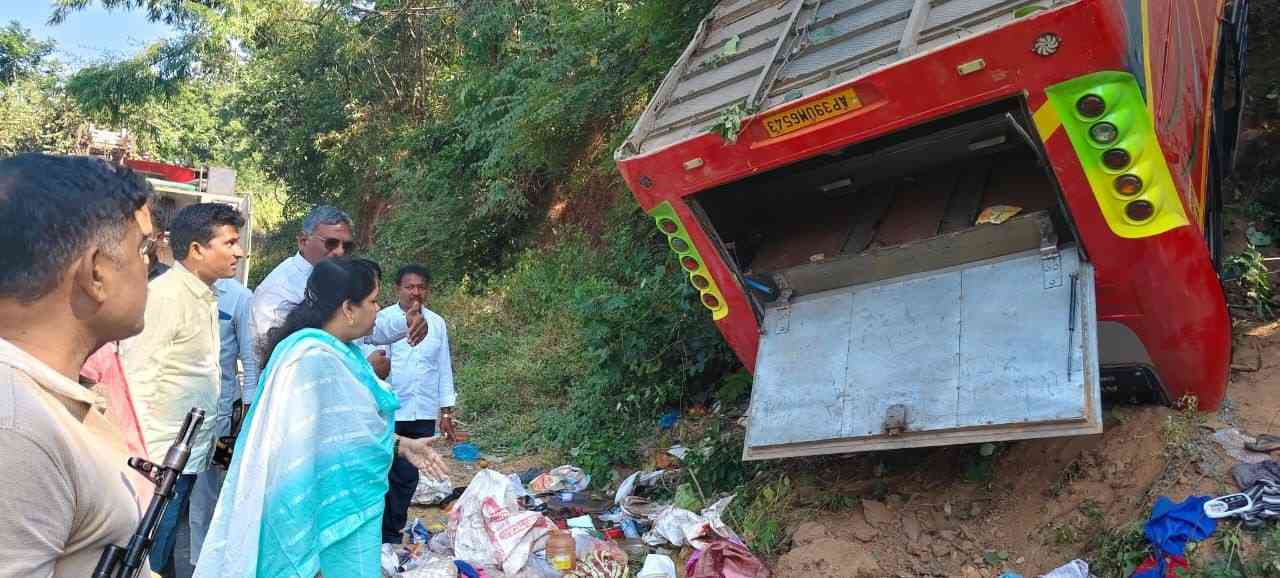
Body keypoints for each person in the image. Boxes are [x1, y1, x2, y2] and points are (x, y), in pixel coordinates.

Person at [194, 258, 447, 578]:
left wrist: (403, 444)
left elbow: (345, 432)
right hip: (318, 518)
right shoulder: (310, 359)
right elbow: (296, 456)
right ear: (349, 308)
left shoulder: (338, 351)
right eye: (372, 301)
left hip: (341, 514)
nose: (378, 308)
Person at [0, 153, 154, 577]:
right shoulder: (16, 429)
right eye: (141, 250)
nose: (149, 267)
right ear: (96, 273)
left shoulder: (35, 403)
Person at [119, 202, 246, 576]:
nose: (239, 252)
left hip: (186, 457)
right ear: (197, 250)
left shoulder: (205, 295)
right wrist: (144, 462)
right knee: (148, 556)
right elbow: (136, 378)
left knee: (163, 550)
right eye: (230, 243)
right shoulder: (166, 297)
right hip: (159, 461)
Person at [251, 206, 427, 369]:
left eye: (347, 246)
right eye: (331, 243)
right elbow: (278, 360)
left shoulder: (339, 277)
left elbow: (363, 323)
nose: (340, 252)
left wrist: (406, 322)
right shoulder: (276, 290)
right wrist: (364, 369)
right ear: (303, 241)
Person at [378, 265, 458, 544]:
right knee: (381, 473)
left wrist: (446, 410)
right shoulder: (382, 321)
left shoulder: (437, 323)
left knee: (407, 477)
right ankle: (376, 533)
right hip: (391, 409)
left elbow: (443, 367)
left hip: (423, 409)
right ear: (397, 289)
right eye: (409, 286)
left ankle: (392, 534)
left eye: (421, 287)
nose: (415, 292)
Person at [187, 274, 260, 568]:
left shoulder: (240, 297)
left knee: (210, 491)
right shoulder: (169, 290)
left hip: (222, 418)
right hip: (174, 413)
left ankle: (202, 565)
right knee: (174, 490)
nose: (237, 253)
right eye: (227, 243)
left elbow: (250, 359)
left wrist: (246, 413)